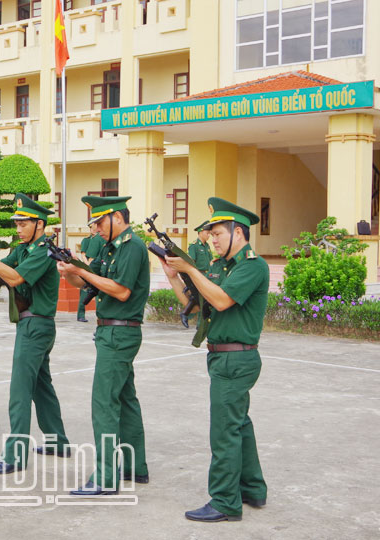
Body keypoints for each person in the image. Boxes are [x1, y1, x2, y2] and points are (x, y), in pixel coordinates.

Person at [160, 197, 268, 523]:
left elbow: (220, 300)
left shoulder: (252, 265)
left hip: (236, 360)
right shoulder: (222, 268)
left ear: (239, 231)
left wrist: (190, 267)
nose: (212, 239)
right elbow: (194, 305)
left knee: (224, 431)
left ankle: (225, 502)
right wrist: (173, 276)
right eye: (211, 233)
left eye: (218, 233)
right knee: (239, 425)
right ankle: (252, 489)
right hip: (223, 359)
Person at [0, 193, 70, 474]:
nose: (18, 228)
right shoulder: (24, 249)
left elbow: (14, 278)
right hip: (32, 325)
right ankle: (57, 441)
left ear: (40, 225)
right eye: (17, 223)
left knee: (20, 391)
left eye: (24, 224)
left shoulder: (44, 250)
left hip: (36, 325)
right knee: (41, 386)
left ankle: (14, 456)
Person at [57, 195, 150, 496]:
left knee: (104, 404)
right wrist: (71, 271)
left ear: (117, 218)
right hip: (111, 332)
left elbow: (121, 291)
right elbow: (89, 283)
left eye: (99, 222)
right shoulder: (111, 248)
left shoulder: (132, 247)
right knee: (125, 399)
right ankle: (135, 467)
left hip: (119, 333)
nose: (95, 229)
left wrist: (82, 272)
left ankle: (106, 477)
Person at [76, 221, 102, 322]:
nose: (92, 228)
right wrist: (88, 266)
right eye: (90, 227)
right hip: (89, 266)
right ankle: (81, 314)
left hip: (97, 266)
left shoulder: (101, 238)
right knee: (84, 291)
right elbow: (84, 254)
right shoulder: (87, 240)